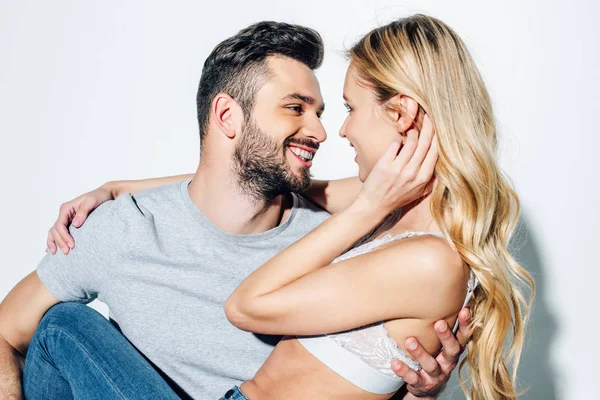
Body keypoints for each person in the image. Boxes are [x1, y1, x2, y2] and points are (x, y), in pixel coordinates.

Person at [52, 14, 534, 400]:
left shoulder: (428, 257)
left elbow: (245, 306)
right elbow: (264, 171)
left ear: (401, 112)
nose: (338, 132)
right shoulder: (403, 213)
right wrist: (119, 188)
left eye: (348, 108)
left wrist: (366, 209)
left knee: (61, 327)